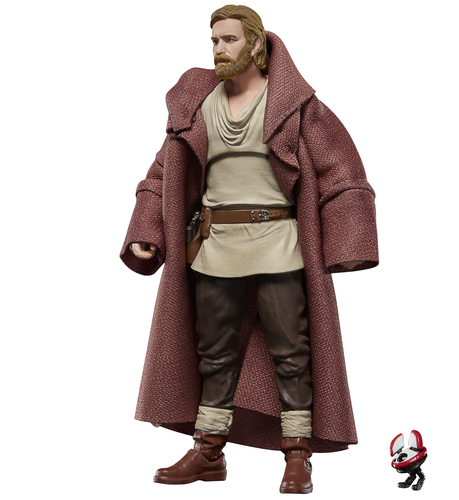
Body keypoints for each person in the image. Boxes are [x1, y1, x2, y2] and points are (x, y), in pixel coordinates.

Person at [120, 4, 378, 494]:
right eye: (214, 41)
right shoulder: (196, 104)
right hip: (214, 247)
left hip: (279, 244)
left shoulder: (293, 105)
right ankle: (208, 450)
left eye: (230, 40)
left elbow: (340, 170)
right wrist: (147, 229)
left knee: (291, 352)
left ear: (256, 43)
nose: (219, 49)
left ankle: (297, 452)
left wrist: (349, 240)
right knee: (213, 353)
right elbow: (163, 173)